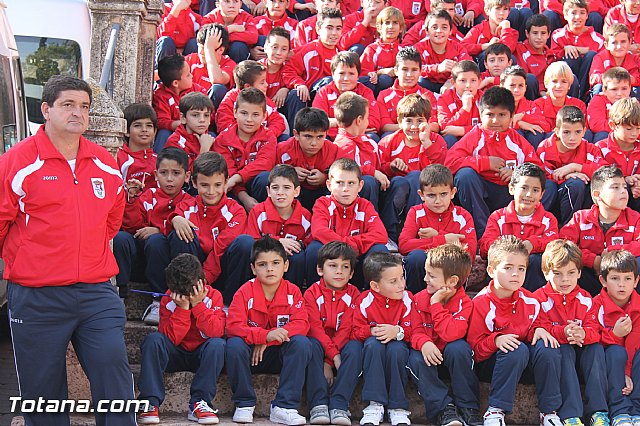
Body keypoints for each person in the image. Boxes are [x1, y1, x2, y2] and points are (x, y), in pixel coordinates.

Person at [0, 75, 136, 425]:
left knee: (115, 380)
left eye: (84, 106)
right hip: (36, 296)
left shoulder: (105, 163)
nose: (78, 113)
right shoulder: (17, 162)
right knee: (43, 396)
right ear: (46, 109)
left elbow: (112, 219)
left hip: (96, 292)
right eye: (68, 105)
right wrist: (28, 261)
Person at [467, 236, 562, 426]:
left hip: (524, 362)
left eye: (521, 269)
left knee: (548, 346)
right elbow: (474, 351)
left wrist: (539, 329)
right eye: (508, 267)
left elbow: (537, 324)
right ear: (492, 271)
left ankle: (548, 412)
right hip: (492, 365)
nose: (515, 274)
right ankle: (495, 410)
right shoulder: (481, 303)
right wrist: (495, 340)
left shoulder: (530, 300)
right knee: (517, 349)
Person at [445, 86, 554, 238]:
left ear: (511, 117)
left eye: (502, 115)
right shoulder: (475, 136)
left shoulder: (516, 141)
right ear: (481, 116)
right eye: (490, 114)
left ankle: (523, 229)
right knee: (465, 176)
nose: (495, 120)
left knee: (547, 185)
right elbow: (450, 163)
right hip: (480, 193)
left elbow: (537, 169)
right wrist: (485, 163)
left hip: (508, 195)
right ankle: (482, 234)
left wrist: (516, 174)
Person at [225, 236, 312, 425]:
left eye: (275, 263)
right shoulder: (243, 292)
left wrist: (268, 340)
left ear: (286, 266)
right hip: (250, 357)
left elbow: (302, 324)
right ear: (253, 268)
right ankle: (244, 403)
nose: (270, 269)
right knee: (233, 345)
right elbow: (233, 326)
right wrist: (263, 335)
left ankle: (284, 406)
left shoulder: (293, 291)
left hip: (278, 355)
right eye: (262, 264)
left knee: (302, 343)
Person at [137, 254, 226, 425]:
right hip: (175, 354)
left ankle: (199, 403)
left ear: (202, 282)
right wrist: (182, 309)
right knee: (153, 340)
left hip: (202, 355)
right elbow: (170, 339)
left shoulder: (214, 296)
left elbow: (216, 331)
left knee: (218, 345)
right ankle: (150, 402)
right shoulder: (168, 299)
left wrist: (198, 305)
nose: (187, 296)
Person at [533, 240, 609, 426]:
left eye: (571, 273)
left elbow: (595, 329)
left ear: (580, 273)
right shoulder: (537, 298)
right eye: (557, 274)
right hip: (561, 349)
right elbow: (538, 327)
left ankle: (599, 412)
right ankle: (570, 414)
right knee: (564, 351)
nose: (565, 280)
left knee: (596, 349)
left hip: (582, 346)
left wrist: (583, 333)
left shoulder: (585, 298)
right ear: (545, 274)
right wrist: (563, 332)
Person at [115, 148, 193, 325]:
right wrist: (131, 201)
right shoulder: (147, 196)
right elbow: (132, 227)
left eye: (176, 173)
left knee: (156, 241)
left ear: (187, 176)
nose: (170, 179)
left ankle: (158, 300)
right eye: (164, 173)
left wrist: (159, 230)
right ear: (156, 175)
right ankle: (119, 296)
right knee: (121, 239)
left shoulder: (189, 201)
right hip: (141, 258)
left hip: (165, 261)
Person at [407, 244, 483, 426]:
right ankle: (444, 409)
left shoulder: (465, 303)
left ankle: (468, 406)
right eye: (426, 273)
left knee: (459, 348)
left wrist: (436, 305)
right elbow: (413, 331)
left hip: (451, 358)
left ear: (452, 281)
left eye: (431, 276)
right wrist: (424, 342)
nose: (425, 279)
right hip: (427, 358)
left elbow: (451, 334)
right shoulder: (418, 299)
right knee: (415, 358)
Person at [167, 151, 254, 304]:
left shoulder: (236, 211)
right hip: (194, 272)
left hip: (221, 272)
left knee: (245, 243)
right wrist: (174, 219)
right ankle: (186, 295)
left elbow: (221, 247)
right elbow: (166, 237)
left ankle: (230, 303)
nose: (211, 191)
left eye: (218, 185)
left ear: (226, 182)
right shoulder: (185, 207)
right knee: (178, 235)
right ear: (194, 183)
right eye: (204, 185)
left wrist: (204, 279)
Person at [306, 158, 389, 289]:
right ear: (329, 185)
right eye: (339, 183)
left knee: (379, 250)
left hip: (357, 261)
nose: (345, 189)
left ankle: (370, 296)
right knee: (313, 249)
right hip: (332, 260)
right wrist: (344, 246)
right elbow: (319, 231)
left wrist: (351, 246)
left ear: (360, 185)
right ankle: (315, 293)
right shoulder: (323, 203)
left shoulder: (365, 206)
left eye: (351, 183)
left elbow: (380, 235)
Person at [304, 242, 363, 425]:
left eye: (345, 267)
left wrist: (330, 361)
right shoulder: (311, 294)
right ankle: (318, 403)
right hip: (321, 345)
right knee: (310, 344)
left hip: (342, 346)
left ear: (352, 273)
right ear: (320, 270)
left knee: (355, 347)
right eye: (333, 265)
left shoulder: (355, 295)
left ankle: (339, 403)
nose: (339, 272)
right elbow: (314, 328)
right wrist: (331, 356)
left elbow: (347, 329)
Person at [352, 252, 413, 426]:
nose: (401, 285)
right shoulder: (364, 301)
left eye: (402, 277)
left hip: (399, 349)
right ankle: (374, 404)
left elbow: (415, 330)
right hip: (373, 350)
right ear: (375, 286)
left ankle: (398, 407)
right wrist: (371, 331)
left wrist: (398, 331)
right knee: (373, 344)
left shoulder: (408, 299)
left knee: (397, 349)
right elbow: (355, 330)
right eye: (393, 281)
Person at [559, 165, 640, 296]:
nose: (623, 191)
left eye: (624, 187)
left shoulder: (635, 218)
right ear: (597, 195)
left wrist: (613, 252)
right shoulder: (580, 218)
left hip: (622, 278)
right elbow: (563, 244)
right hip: (588, 275)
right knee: (566, 260)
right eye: (615, 187)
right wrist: (593, 260)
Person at [378, 94, 447, 246]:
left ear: (428, 122)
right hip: (394, 194)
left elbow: (442, 169)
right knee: (402, 181)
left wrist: (427, 143)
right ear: (399, 122)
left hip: (427, 196)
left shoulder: (435, 141)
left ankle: (417, 229)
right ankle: (390, 235)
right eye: (409, 121)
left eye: (420, 121)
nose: (414, 127)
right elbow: (379, 169)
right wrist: (391, 166)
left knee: (417, 177)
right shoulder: (388, 142)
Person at [479, 163, 559, 292]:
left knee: (536, 260)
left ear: (542, 194)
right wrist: (510, 249)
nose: (529, 194)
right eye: (524, 188)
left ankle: (532, 303)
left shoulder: (548, 219)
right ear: (511, 189)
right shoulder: (498, 217)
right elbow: (485, 246)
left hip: (533, 278)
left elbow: (554, 243)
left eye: (535, 190)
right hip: (503, 278)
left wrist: (532, 243)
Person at [399, 164, 476, 294]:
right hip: (423, 274)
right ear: (421, 195)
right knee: (415, 258)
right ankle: (415, 299)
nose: (438, 201)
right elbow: (404, 245)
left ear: (453, 193)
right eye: (431, 195)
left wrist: (436, 236)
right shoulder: (416, 212)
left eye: (443, 194)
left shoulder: (463, 216)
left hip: (451, 271)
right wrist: (444, 239)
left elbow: (470, 253)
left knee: (455, 262)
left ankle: (450, 298)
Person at [537, 106, 606, 226]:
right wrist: (568, 176)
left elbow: (605, 173)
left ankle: (581, 227)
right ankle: (549, 226)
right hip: (554, 201)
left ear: (584, 131)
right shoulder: (545, 148)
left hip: (580, 200)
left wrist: (576, 167)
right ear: (557, 132)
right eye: (566, 132)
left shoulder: (590, 149)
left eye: (578, 132)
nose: (572, 138)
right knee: (571, 183)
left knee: (588, 184)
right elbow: (541, 176)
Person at [593, 250, 640, 426]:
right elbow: (593, 338)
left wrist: (626, 372)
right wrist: (614, 335)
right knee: (615, 352)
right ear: (603, 281)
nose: (622, 285)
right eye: (615, 278)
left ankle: (636, 410)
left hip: (629, 362)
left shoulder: (638, 305)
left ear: (636, 281)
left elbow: (635, 341)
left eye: (628, 279)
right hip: (606, 362)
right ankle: (619, 411)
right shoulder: (595, 304)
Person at [245, 164, 312, 288]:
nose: (280, 193)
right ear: (268, 191)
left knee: (298, 257)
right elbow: (251, 240)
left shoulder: (305, 216)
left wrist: (298, 244)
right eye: (275, 188)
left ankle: (292, 294)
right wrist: (278, 242)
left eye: (286, 188)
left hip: (289, 264)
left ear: (296, 191)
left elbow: (308, 243)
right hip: (263, 260)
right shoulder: (258, 212)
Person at [212, 87, 278, 210]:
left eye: (256, 114)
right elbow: (228, 172)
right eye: (244, 113)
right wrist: (244, 197)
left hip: (255, 183)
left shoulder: (268, 136)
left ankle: (267, 218)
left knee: (266, 179)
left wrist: (237, 177)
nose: (249, 119)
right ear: (235, 112)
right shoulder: (223, 139)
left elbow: (265, 163)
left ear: (264, 116)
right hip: (233, 189)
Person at [332, 92, 389, 212]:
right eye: (367, 118)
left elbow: (380, 168)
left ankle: (392, 227)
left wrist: (392, 167)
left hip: (380, 189)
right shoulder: (343, 145)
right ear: (359, 120)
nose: (368, 121)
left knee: (400, 182)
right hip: (359, 195)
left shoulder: (369, 140)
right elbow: (347, 171)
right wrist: (372, 172)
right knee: (368, 182)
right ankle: (369, 220)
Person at [276, 107, 337, 212]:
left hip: (322, 192)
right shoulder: (283, 149)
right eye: (308, 136)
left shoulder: (334, 150)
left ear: (326, 134)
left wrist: (325, 178)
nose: (314, 143)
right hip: (294, 194)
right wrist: (289, 173)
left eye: (319, 137)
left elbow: (348, 175)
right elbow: (270, 174)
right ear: (296, 134)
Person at [549, 0, 605, 100]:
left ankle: (582, 96)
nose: (578, 17)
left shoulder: (598, 39)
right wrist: (564, 49)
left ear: (587, 16)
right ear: (565, 15)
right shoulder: (558, 35)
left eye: (582, 13)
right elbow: (552, 57)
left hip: (587, 82)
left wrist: (581, 50)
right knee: (570, 57)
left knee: (592, 55)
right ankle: (571, 96)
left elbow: (603, 58)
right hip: (566, 80)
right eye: (573, 13)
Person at [153, 54, 208, 152]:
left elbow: (208, 115)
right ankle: (160, 162)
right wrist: (185, 124)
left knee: (211, 136)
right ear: (175, 83)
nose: (192, 76)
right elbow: (161, 121)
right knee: (163, 133)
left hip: (198, 131)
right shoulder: (160, 95)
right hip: (176, 133)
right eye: (188, 75)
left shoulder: (198, 91)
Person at [596, 97, 640, 210]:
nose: (634, 133)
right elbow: (600, 178)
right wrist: (624, 179)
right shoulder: (601, 148)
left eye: (638, 128)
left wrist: (637, 183)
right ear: (613, 125)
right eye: (629, 129)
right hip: (610, 198)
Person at [164, 92, 215, 171]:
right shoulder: (174, 142)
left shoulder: (212, 140)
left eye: (206, 115)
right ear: (183, 118)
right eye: (195, 115)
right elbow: (186, 177)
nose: (202, 120)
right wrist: (204, 150)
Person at [436, 60, 482, 148]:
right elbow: (445, 128)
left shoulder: (484, 98)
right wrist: (465, 109)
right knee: (448, 138)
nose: (468, 85)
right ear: (453, 82)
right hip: (456, 141)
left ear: (479, 82)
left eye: (473, 80)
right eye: (463, 80)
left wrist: (462, 130)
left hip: (477, 139)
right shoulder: (444, 99)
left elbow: (489, 127)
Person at [588, 67, 632, 143]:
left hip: (628, 138)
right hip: (605, 138)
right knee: (602, 135)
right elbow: (596, 125)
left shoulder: (632, 104)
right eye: (614, 89)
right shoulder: (598, 100)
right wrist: (623, 129)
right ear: (604, 90)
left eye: (624, 88)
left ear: (630, 88)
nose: (619, 93)